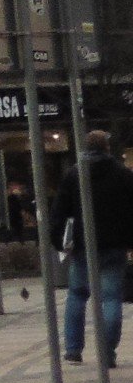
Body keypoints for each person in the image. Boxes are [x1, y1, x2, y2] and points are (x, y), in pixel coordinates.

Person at [51, 128, 133, 368]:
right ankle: (107, 352)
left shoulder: (73, 174)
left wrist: (58, 241)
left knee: (77, 294)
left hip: (82, 245)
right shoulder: (122, 174)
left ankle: (73, 349)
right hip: (114, 245)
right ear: (106, 148)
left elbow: (59, 212)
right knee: (111, 297)